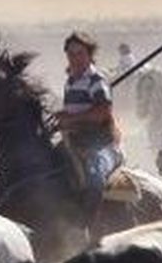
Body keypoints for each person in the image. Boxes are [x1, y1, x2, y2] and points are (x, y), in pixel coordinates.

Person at [50, 31, 122, 222]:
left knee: (94, 179)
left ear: (90, 55)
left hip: (99, 145)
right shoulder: (70, 82)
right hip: (74, 143)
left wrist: (71, 120)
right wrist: (63, 117)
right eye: (71, 54)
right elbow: (75, 112)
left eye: (80, 53)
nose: (75, 58)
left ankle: (88, 226)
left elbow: (102, 113)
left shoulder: (96, 80)